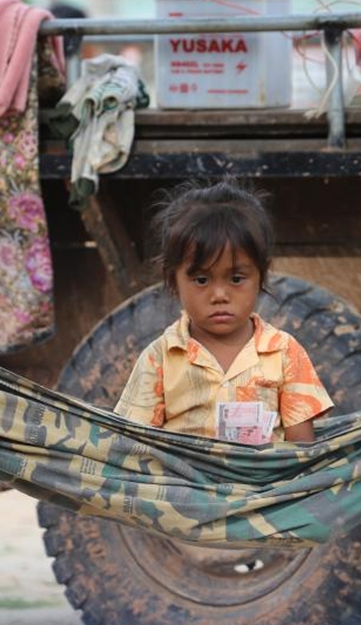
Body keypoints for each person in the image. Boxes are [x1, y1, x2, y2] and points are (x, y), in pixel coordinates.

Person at [115, 178, 334, 444]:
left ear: (261, 276)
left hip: (266, 485)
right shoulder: (160, 358)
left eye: (236, 278)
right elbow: (133, 444)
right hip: (183, 485)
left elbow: (301, 448)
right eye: (201, 280)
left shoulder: (285, 353)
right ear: (173, 280)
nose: (219, 295)